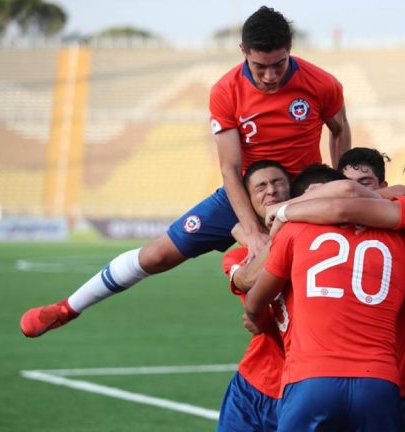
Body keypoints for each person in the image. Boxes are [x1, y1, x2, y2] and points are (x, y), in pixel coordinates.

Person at [20, 6, 351, 338]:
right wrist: (251, 232)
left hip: (299, 197)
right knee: (155, 256)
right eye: (260, 66)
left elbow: (339, 130)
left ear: (290, 48)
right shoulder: (226, 91)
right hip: (244, 194)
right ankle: (67, 308)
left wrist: (343, 185)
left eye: (278, 64)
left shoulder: (321, 83)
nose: (270, 76)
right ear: (243, 52)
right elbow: (229, 168)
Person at [267, 162, 405, 432]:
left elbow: (348, 195)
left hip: (331, 377)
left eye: (365, 182)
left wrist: (283, 211)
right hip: (389, 379)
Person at [245, 166, 405, 431]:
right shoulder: (403, 240)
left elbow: (254, 302)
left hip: (310, 378)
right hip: (378, 381)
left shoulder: (295, 231)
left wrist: (258, 319)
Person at [218, 160, 291, 432]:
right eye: (261, 187)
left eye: (277, 182)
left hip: (302, 385)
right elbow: (247, 278)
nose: (270, 191)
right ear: (249, 201)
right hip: (253, 382)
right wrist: (280, 227)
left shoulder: (314, 248)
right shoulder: (237, 255)